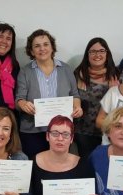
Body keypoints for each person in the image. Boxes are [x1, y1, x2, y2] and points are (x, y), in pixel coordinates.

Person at [16, 29, 83, 159]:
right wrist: (24, 104)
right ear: (31, 51)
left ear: (52, 47)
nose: (42, 49)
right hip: (32, 131)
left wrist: (77, 107)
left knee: (59, 167)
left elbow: (75, 94)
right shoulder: (25, 71)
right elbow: (19, 99)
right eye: (37, 46)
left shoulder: (66, 69)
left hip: (60, 132)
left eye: (46, 44)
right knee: (35, 167)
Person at [74, 37, 120, 159]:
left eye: (101, 51)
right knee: (87, 164)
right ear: (87, 55)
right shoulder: (78, 74)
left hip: (108, 131)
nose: (97, 54)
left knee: (106, 165)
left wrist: (116, 90)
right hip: (83, 132)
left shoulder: (117, 75)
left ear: (107, 54)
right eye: (93, 51)